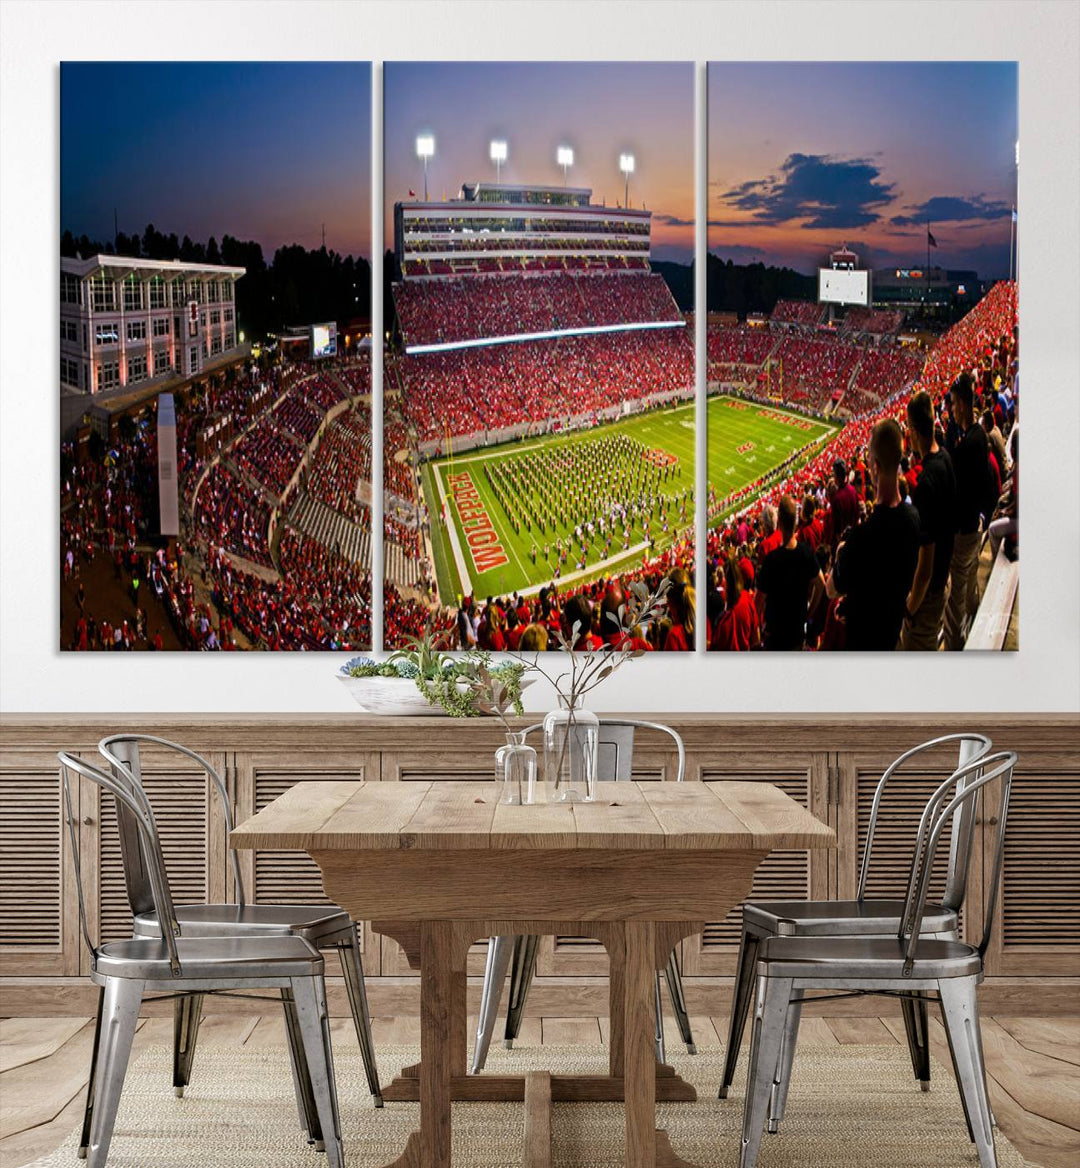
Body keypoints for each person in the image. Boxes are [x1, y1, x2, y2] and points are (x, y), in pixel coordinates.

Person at [828, 419, 921, 650]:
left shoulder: (862, 538)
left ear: (875, 467)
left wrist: (841, 553)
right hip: (892, 635)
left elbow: (831, 589)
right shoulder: (913, 518)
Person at [901, 391, 957, 650]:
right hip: (945, 577)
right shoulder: (945, 457)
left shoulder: (924, 483)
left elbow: (925, 563)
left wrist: (910, 608)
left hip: (930, 592)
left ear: (912, 431)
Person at [943, 373, 990, 649]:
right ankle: (977, 618)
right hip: (974, 525)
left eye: (952, 404)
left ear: (961, 404)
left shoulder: (969, 442)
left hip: (964, 532)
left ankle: (957, 652)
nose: (950, 409)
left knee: (954, 605)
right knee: (969, 590)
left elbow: (952, 483)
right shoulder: (978, 436)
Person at [757, 495, 824, 651]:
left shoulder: (771, 560)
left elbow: (758, 602)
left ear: (779, 521)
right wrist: (808, 613)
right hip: (797, 632)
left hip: (776, 635)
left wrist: (761, 628)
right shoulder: (806, 553)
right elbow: (820, 584)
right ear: (795, 520)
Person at [828, 460, 859, 549]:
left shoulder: (837, 498)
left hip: (843, 544)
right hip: (854, 536)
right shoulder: (852, 490)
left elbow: (837, 529)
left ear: (836, 476)